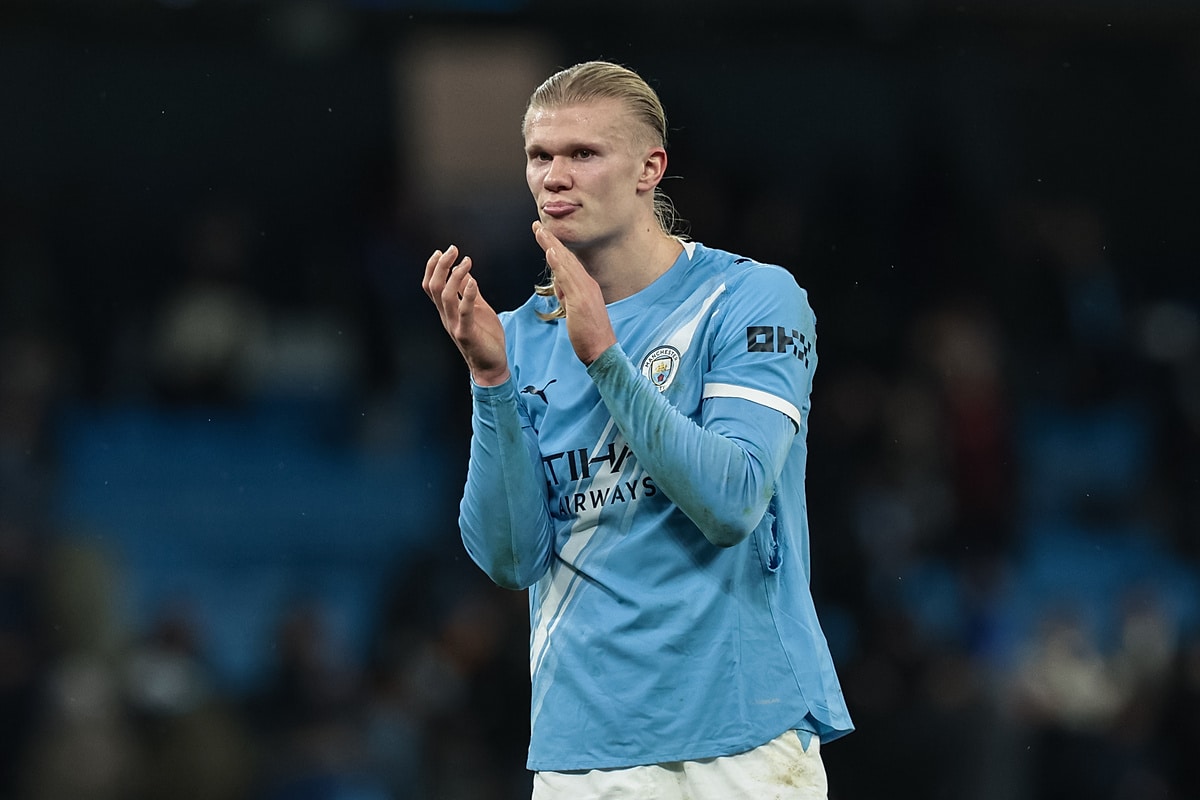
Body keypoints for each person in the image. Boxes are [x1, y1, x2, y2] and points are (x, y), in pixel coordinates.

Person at [421, 60, 853, 799]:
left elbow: (732, 502)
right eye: (539, 156)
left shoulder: (747, 298)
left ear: (650, 168)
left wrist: (606, 359)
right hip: (583, 749)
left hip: (743, 733)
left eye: (583, 153)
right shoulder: (517, 336)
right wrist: (489, 380)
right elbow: (510, 558)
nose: (556, 176)